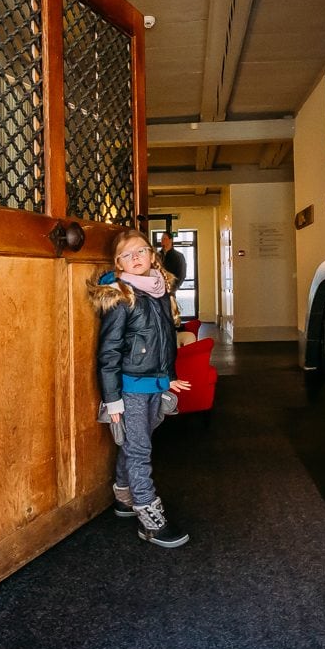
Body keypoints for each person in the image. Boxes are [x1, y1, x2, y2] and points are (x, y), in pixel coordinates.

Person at [87, 229, 192, 548]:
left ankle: (123, 495)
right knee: (139, 450)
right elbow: (108, 352)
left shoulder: (160, 291)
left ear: (152, 255)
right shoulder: (121, 297)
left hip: (153, 384)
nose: (135, 257)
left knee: (136, 444)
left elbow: (164, 342)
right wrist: (112, 399)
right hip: (130, 389)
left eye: (141, 251)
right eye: (127, 254)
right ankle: (150, 519)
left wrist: (168, 377)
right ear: (118, 263)